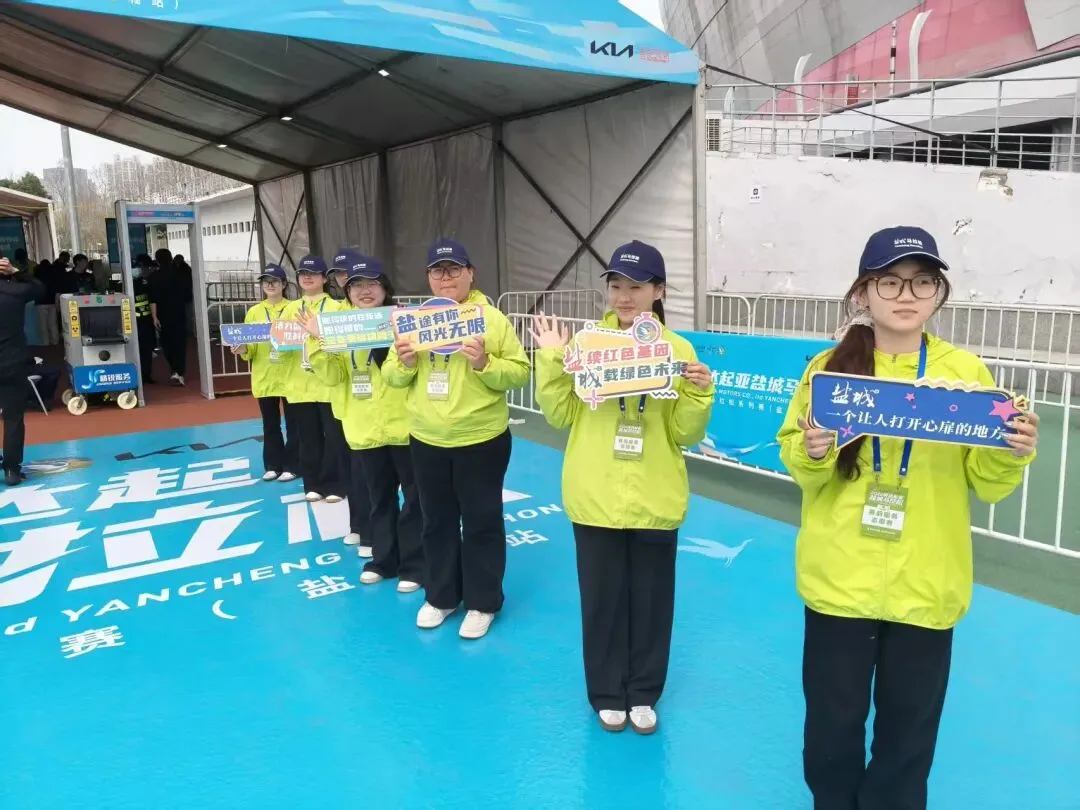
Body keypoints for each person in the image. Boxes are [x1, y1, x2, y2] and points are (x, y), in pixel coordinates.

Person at [777, 226, 1039, 810]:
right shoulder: (829, 370)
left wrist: (1011, 452)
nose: (906, 295)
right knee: (831, 729)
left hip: (927, 581)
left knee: (908, 735)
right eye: (889, 282)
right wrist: (813, 452)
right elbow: (801, 465)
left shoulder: (966, 374)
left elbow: (987, 483)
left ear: (938, 293)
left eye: (922, 282)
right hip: (840, 580)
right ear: (862, 293)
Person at [531, 240, 714, 734]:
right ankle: (608, 691)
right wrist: (551, 360)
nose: (624, 296)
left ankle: (644, 692)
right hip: (596, 494)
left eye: (636, 286)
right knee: (602, 601)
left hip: (655, 494)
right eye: (615, 285)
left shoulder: (678, 350)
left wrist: (699, 393)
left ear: (659, 291)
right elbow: (560, 414)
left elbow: (684, 433)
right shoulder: (586, 345)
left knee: (652, 604)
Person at [383, 238, 530, 639]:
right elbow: (391, 377)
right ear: (428, 277)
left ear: (470, 274)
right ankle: (442, 596)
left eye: (453, 269)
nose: (445, 277)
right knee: (436, 521)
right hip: (427, 438)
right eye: (437, 270)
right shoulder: (415, 321)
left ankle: (483, 602)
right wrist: (404, 364)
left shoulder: (491, 319)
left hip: (480, 438)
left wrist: (484, 362)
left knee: (482, 521)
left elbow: (519, 372)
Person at [301, 252, 424, 590]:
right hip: (365, 428)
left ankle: (415, 565)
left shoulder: (405, 321)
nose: (365, 291)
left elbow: (416, 370)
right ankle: (383, 560)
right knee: (378, 499)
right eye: (356, 285)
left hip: (406, 426)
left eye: (372, 283)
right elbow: (333, 376)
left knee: (415, 499)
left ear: (385, 287)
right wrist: (318, 340)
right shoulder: (338, 326)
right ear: (347, 291)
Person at [282, 255, 346, 503]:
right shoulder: (290, 309)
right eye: (302, 274)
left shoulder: (336, 308)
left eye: (313, 273)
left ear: (324, 278)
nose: (307, 278)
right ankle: (312, 483)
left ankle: (334, 484)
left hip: (329, 384)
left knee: (334, 437)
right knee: (307, 437)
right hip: (300, 384)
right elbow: (280, 342)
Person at [319, 248, 372, 554]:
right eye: (338, 274)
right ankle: (358, 525)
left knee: (373, 475)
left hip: (378, 409)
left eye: (347, 272)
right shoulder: (333, 315)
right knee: (352, 469)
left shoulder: (380, 313)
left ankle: (376, 532)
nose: (342, 278)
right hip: (344, 404)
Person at [233, 264, 298, 483]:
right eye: (265, 281)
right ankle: (273, 465)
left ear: (284, 284)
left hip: (290, 375)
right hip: (265, 376)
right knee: (270, 424)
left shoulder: (294, 308)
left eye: (274, 281)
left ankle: (292, 465)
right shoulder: (254, 312)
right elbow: (249, 347)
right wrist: (242, 349)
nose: (270, 285)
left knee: (294, 423)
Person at [0, 257, 46, 486]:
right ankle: (11, 470)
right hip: (12, 362)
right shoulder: (15, 292)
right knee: (13, 418)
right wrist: (16, 271)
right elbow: (40, 288)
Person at [149, 247, 191, 386]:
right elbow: (188, 295)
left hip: (163, 315)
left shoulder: (154, 277)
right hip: (179, 313)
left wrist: (154, 317)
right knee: (180, 343)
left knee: (166, 343)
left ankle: (174, 369)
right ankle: (178, 371)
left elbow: (153, 299)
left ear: (157, 260)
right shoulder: (180, 274)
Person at [132, 255, 157, 385]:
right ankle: (135, 374)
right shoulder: (128, 283)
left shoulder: (150, 281)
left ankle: (145, 374)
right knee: (134, 348)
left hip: (146, 320)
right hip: (132, 321)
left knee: (146, 349)